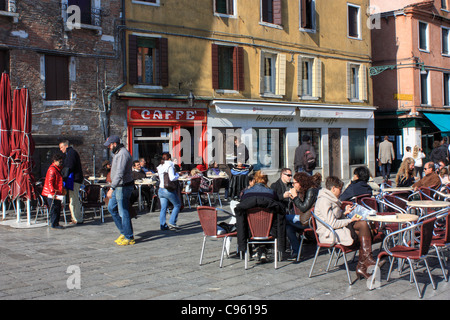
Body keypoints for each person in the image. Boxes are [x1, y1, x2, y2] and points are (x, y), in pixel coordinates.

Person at [314, 176, 377, 279]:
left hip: (338, 229)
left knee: (363, 224)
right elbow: (332, 223)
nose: (341, 191)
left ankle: (365, 263)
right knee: (364, 230)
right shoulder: (324, 201)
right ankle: (365, 263)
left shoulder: (331, 199)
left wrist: (344, 213)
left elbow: (335, 217)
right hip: (330, 233)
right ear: (333, 188)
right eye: (340, 189)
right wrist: (350, 220)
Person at [104, 135, 135, 246]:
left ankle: (129, 237)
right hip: (118, 186)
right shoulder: (117, 153)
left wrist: (111, 188)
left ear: (115, 144)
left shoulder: (122, 154)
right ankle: (124, 231)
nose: (109, 148)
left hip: (123, 186)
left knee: (123, 211)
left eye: (110, 145)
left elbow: (120, 173)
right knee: (111, 208)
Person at [285, 172, 319, 260]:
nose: (293, 185)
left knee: (283, 219)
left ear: (301, 182)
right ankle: (296, 252)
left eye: (294, 183)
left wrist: (295, 197)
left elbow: (303, 208)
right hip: (305, 219)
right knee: (289, 227)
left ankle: (292, 249)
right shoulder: (306, 190)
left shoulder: (311, 191)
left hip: (310, 221)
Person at [59, 140, 83, 225]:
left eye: (61, 147)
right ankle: (75, 218)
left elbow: (70, 166)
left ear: (66, 146)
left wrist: (63, 176)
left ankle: (77, 219)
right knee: (73, 199)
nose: (61, 149)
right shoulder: (71, 153)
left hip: (74, 180)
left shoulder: (71, 153)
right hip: (75, 179)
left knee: (74, 199)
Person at [42, 153, 67, 229]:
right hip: (52, 193)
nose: (60, 163)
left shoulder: (57, 169)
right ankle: (54, 224)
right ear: (55, 161)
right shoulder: (52, 170)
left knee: (57, 207)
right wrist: (53, 192)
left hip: (56, 192)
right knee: (54, 208)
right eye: (59, 162)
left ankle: (56, 223)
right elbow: (49, 182)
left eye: (61, 162)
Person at [157, 152, 181, 230]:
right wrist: (178, 175)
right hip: (168, 190)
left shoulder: (160, 166)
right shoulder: (170, 165)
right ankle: (172, 222)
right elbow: (172, 178)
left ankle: (162, 224)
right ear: (170, 158)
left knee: (163, 208)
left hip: (161, 189)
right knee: (177, 205)